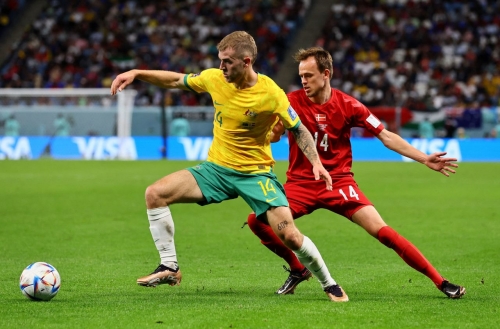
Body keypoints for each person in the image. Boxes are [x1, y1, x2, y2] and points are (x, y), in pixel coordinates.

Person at [110, 32, 348, 302]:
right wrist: (137, 73)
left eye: (227, 62)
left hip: (256, 174)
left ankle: (329, 284)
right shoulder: (214, 78)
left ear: (246, 62)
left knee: (290, 235)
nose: (221, 67)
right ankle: (170, 267)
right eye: (220, 60)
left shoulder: (271, 93)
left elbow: (299, 129)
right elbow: (177, 79)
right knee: (155, 194)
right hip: (217, 170)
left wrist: (316, 162)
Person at [246, 47, 466, 299]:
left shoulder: (348, 105)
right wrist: (272, 133)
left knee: (382, 231)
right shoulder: (290, 101)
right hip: (300, 185)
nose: (303, 81)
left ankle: (441, 282)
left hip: (339, 183)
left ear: (326, 73)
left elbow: (385, 135)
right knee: (256, 220)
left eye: (309, 75)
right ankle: (298, 269)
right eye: (301, 76)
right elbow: (273, 135)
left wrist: (424, 158)